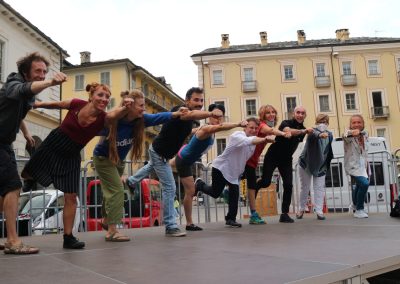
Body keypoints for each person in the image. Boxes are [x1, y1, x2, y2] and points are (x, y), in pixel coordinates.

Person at [22, 82, 132, 249]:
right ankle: (29, 181)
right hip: (54, 143)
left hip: (72, 155)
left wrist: (124, 107)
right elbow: (55, 104)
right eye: (100, 95)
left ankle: (68, 237)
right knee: (28, 174)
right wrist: (35, 104)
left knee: (71, 197)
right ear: (91, 96)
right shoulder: (76, 104)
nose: (104, 99)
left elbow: (115, 114)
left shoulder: (104, 118)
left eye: (107, 97)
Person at [127, 87, 223, 237]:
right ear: (187, 101)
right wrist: (211, 113)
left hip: (160, 153)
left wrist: (198, 130)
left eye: (201, 100)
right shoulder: (181, 110)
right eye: (195, 100)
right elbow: (190, 114)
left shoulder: (190, 122)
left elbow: (186, 130)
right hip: (159, 153)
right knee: (170, 188)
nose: (199, 103)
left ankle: (131, 181)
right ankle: (171, 226)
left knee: (150, 167)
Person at [93, 89, 187, 241]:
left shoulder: (141, 119)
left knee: (110, 191)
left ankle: (105, 220)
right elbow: (91, 126)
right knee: (117, 190)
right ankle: (111, 231)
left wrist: (175, 114)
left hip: (119, 161)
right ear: (129, 106)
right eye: (141, 106)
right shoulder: (114, 120)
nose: (144, 109)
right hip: (103, 159)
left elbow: (158, 117)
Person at [0, 52, 64, 254]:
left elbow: (18, 113)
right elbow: (22, 90)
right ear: (25, 72)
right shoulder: (14, 83)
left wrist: (27, 133)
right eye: (38, 71)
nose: (42, 75)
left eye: (45, 72)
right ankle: (12, 240)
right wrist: (51, 82)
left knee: (4, 191)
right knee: (13, 186)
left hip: (5, 143)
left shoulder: (28, 94)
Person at [169, 103, 248, 231]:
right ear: (209, 116)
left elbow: (189, 132)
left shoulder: (207, 130)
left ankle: (142, 173)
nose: (217, 119)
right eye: (215, 116)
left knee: (162, 165)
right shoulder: (207, 129)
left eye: (220, 117)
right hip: (184, 160)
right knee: (190, 192)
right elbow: (221, 127)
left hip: (185, 154)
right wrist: (238, 124)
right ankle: (189, 223)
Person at [195, 117, 271, 228]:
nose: (253, 130)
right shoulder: (237, 135)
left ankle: (230, 219)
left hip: (234, 173)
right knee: (215, 193)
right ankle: (199, 184)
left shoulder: (254, 143)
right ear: (245, 127)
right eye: (251, 127)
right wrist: (265, 139)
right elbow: (247, 141)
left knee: (235, 195)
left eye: (255, 128)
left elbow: (244, 157)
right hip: (221, 168)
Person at [256, 106, 313, 223]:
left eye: (303, 113)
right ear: (294, 114)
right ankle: (255, 186)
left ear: (305, 115)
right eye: (298, 112)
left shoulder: (304, 130)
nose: (300, 115)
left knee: (288, 185)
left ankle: (284, 214)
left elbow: (298, 141)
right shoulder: (286, 123)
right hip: (273, 155)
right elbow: (288, 131)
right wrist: (304, 131)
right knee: (266, 182)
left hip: (286, 159)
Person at [245, 105, 290, 225]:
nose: (272, 114)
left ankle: (252, 215)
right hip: (245, 160)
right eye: (268, 113)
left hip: (252, 161)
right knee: (249, 186)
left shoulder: (268, 126)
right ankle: (251, 214)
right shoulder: (261, 125)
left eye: (273, 112)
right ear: (263, 116)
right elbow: (269, 131)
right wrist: (283, 133)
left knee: (252, 185)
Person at [296, 114, 333, 220]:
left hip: (321, 165)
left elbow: (327, 149)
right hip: (306, 164)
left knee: (319, 188)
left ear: (328, 123)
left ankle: (319, 211)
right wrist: (320, 135)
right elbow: (314, 134)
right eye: (321, 121)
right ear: (316, 122)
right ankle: (301, 209)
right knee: (305, 188)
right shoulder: (312, 131)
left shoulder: (330, 134)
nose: (323, 123)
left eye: (325, 121)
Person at [343, 114, 370, 219]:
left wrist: (360, 134)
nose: (356, 124)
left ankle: (355, 205)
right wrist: (354, 133)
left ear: (363, 124)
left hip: (362, 164)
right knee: (364, 184)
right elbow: (347, 135)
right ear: (350, 124)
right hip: (352, 165)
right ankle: (359, 209)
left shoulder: (365, 134)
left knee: (358, 186)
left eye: (359, 122)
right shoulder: (346, 133)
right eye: (354, 122)